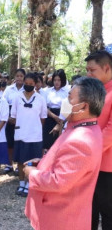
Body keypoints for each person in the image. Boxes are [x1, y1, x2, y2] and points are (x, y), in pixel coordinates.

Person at [25, 77, 105, 230]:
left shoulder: (81, 140)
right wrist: (43, 163)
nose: (65, 101)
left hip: (60, 218)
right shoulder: (82, 128)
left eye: (69, 98)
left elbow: (59, 181)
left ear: (83, 106)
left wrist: (32, 173)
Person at [85, 51, 112, 230]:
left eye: (92, 70)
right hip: (90, 163)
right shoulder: (97, 92)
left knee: (108, 213)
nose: (88, 74)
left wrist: (85, 151)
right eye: (87, 70)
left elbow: (110, 132)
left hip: (107, 166)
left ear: (107, 68)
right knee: (88, 212)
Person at [11, 73, 47, 197]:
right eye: (26, 84)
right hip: (21, 133)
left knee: (32, 161)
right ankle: (21, 183)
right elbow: (13, 116)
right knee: (21, 160)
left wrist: (34, 127)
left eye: (31, 84)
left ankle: (29, 184)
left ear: (35, 85)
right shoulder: (17, 97)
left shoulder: (40, 99)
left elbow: (43, 118)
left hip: (35, 135)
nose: (28, 86)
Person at [2, 68, 26, 174]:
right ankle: (9, 164)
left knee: (19, 142)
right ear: (14, 77)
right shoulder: (9, 89)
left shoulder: (27, 89)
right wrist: (8, 118)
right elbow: (3, 104)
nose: (19, 78)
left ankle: (19, 164)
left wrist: (18, 119)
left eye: (21, 76)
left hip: (22, 119)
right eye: (17, 76)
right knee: (10, 142)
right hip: (9, 118)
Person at [42, 70, 69, 151]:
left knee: (59, 144)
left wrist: (60, 121)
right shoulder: (47, 91)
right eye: (55, 80)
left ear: (63, 80)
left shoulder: (67, 92)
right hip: (49, 116)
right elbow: (44, 106)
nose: (57, 82)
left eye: (59, 80)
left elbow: (68, 108)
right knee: (47, 144)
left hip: (62, 118)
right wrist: (54, 116)